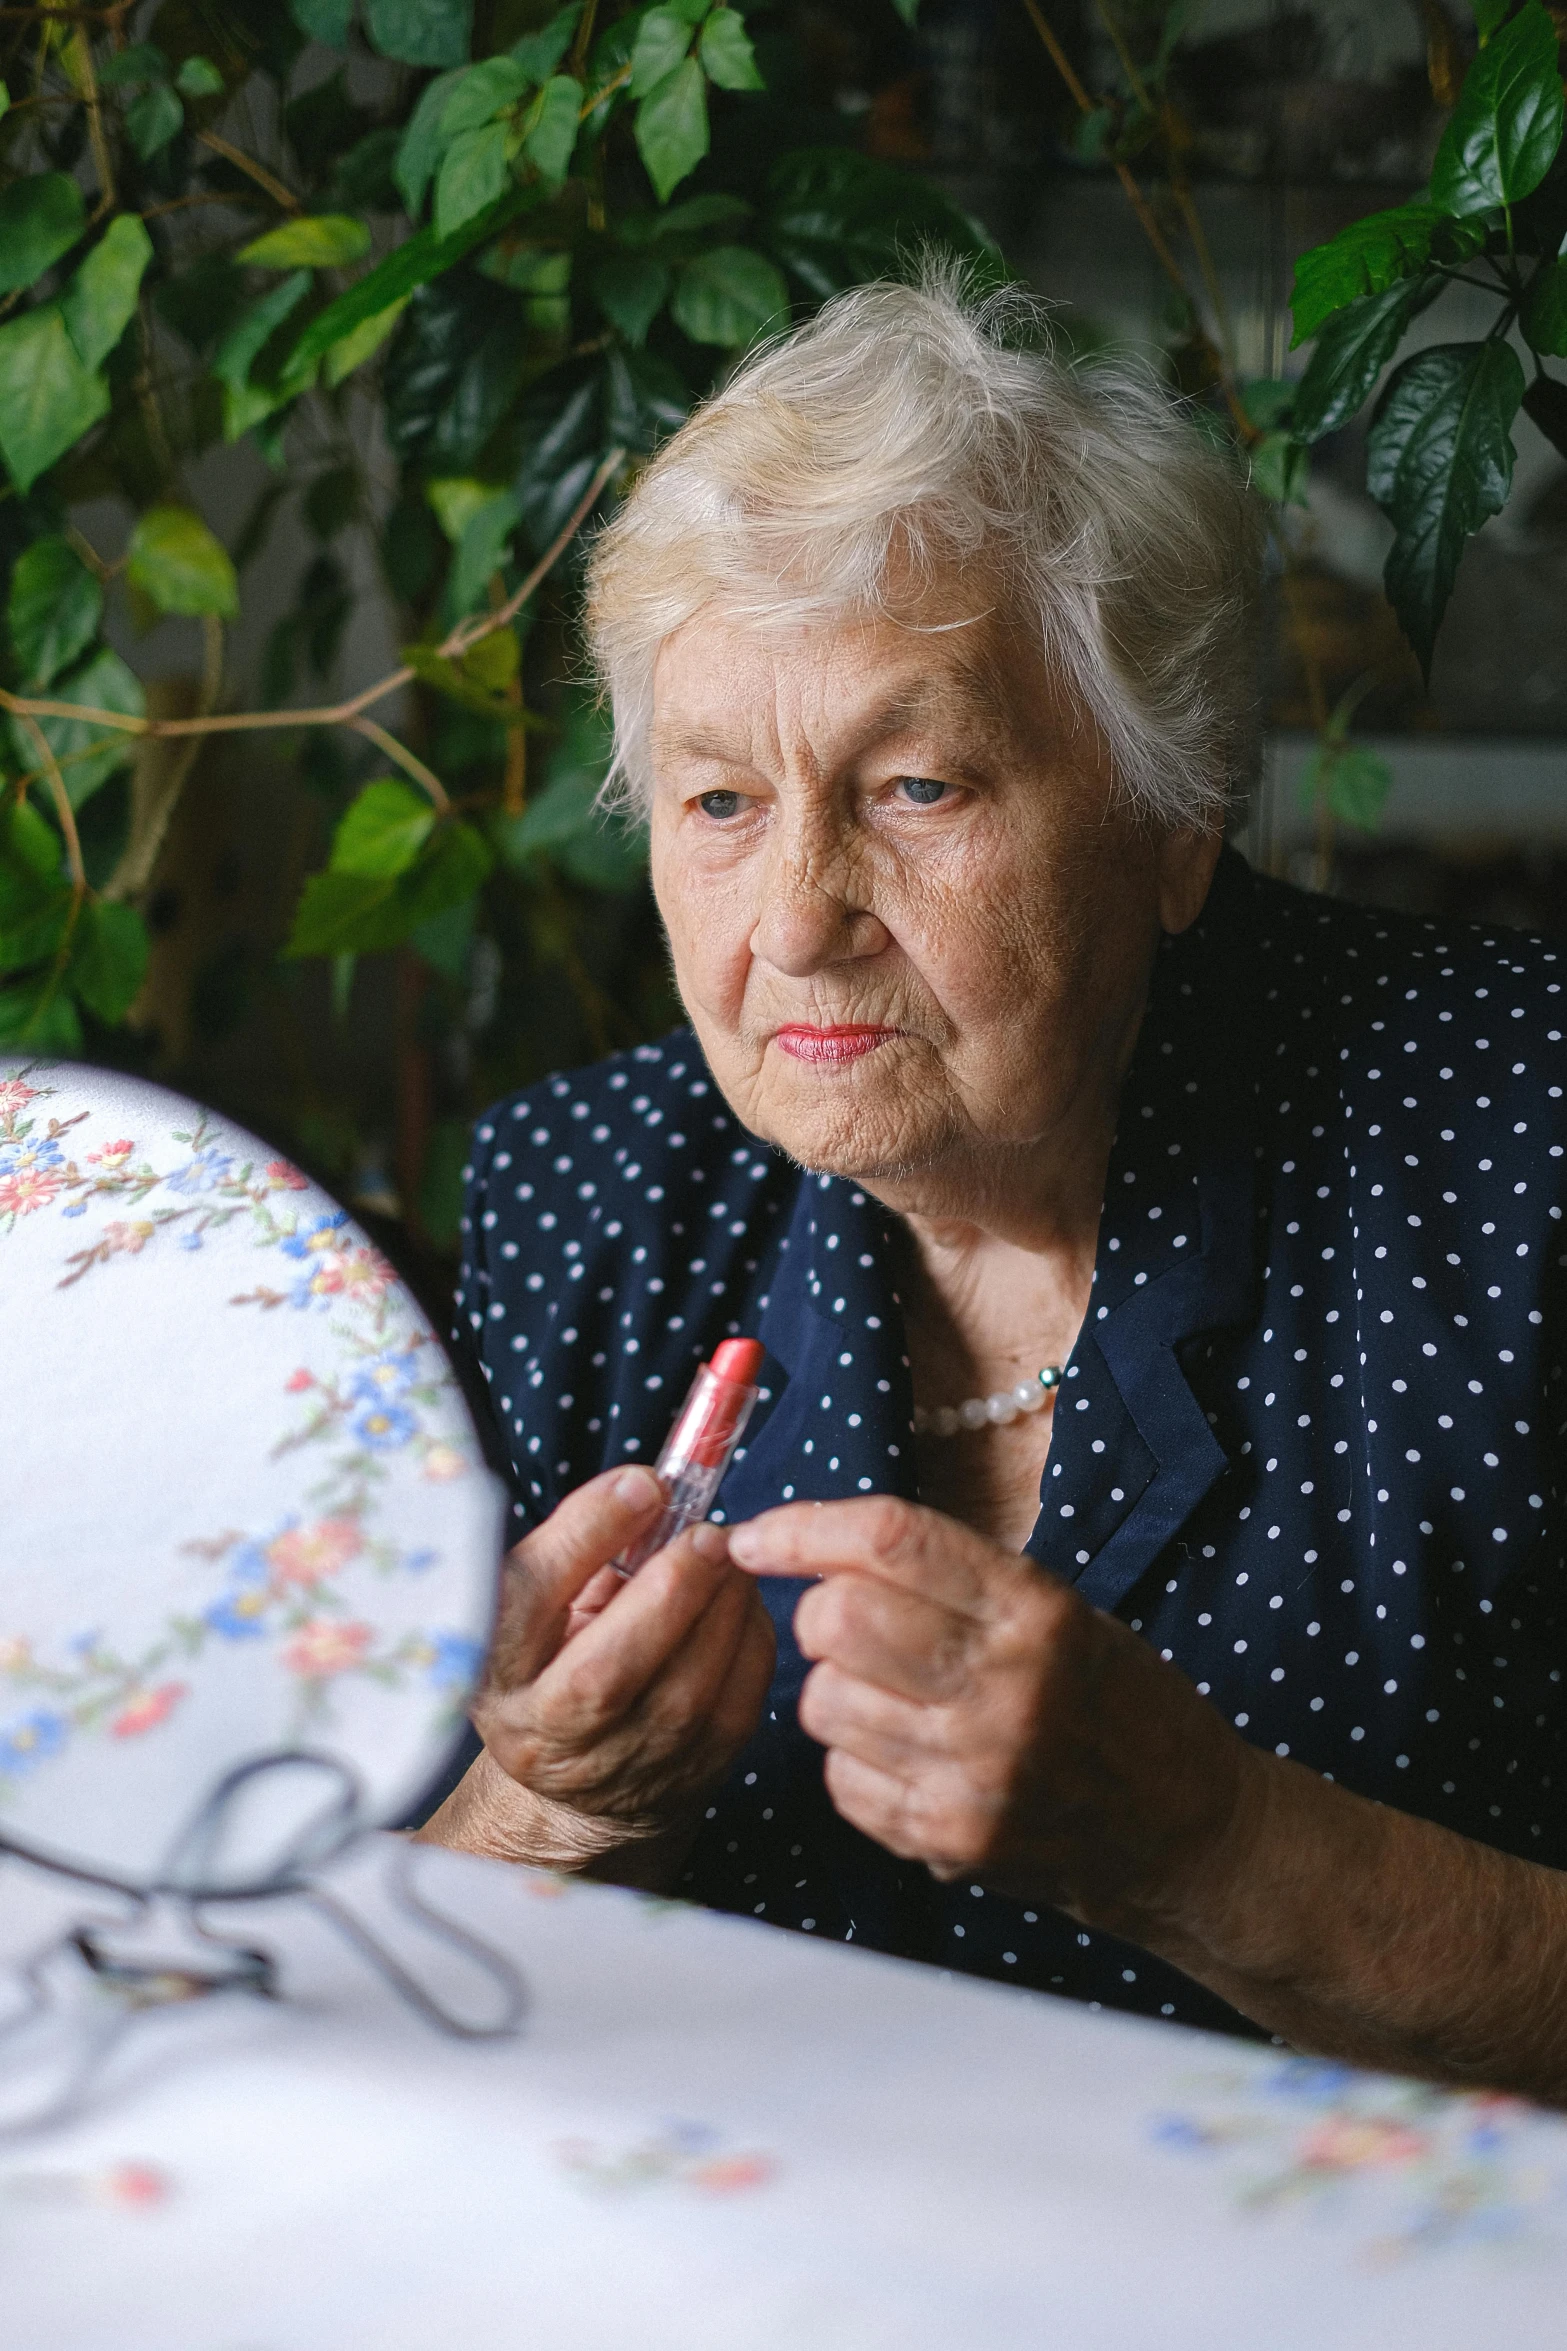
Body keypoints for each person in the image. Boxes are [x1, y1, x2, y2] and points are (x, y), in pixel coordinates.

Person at [418, 275, 1567, 2098]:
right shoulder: (588, 1202)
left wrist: (1209, 1844)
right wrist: (546, 1808)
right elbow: (337, 1978)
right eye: (718, 802)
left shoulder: (1515, 1148)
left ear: (1172, 814)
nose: (795, 918)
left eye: (918, 784)